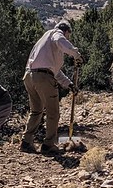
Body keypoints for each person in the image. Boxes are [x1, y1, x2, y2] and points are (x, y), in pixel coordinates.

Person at [21, 20, 82, 155]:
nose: (67, 38)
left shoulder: (45, 40)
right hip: (43, 78)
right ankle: (48, 145)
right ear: (66, 31)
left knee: (36, 111)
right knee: (53, 113)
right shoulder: (56, 34)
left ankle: (26, 141)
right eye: (68, 35)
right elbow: (61, 42)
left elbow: (55, 71)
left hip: (30, 76)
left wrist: (69, 84)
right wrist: (76, 54)